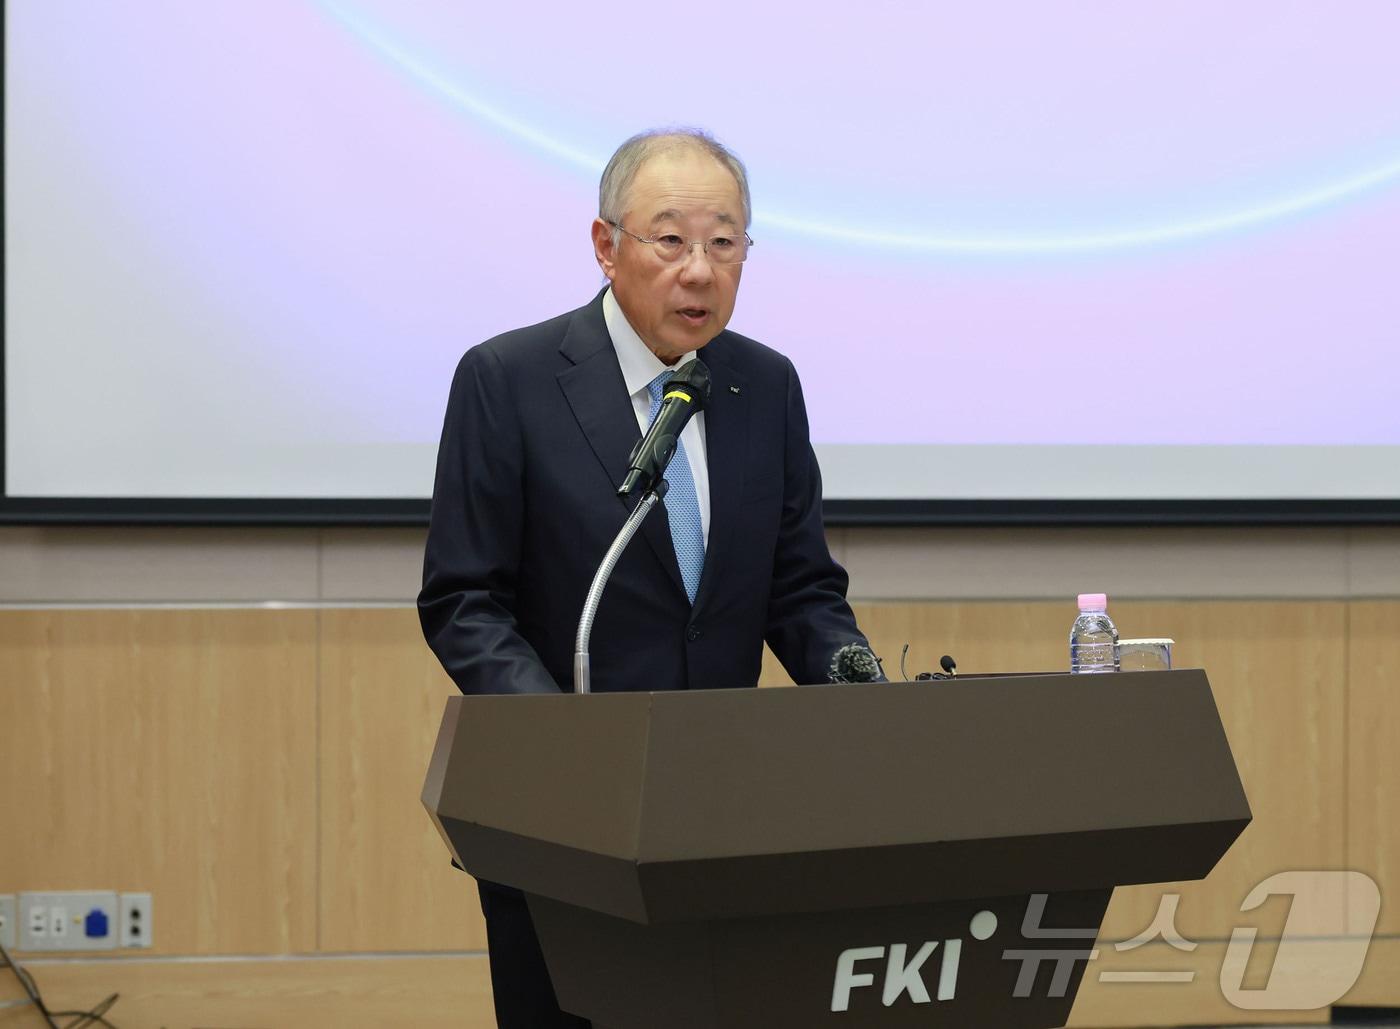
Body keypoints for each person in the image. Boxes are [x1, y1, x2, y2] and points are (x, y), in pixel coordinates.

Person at [418, 128, 875, 1029]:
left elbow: (800, 590)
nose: (699, 271)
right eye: (670, 240)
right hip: (562, 826)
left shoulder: (765, 386)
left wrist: (854, 676)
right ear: (605, 245)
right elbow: (464, 598)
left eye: (724, 242)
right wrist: (567, 747)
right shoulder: (507, 380)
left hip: (724, 823)